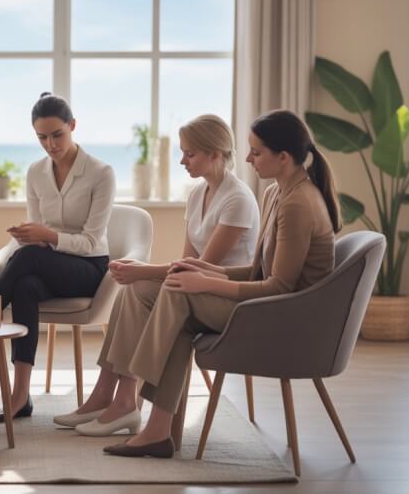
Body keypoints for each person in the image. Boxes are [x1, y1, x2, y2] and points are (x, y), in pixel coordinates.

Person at [101, 110, 340, 458]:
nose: (247, 158)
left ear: (284, 157)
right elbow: (260, 270)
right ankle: (156, 430)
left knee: (177, 292)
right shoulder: (278, 193)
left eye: (256, 152)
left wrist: (204, 283)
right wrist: (208, 272)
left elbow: (279, 288)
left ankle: (131, 396)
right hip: (269, 306)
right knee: (171, 296)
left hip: (286, 320)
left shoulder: (299, 204)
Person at [52, 114, 260, 436]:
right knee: (133, 291)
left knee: (140, 286)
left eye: (190, 154)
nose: (182, 160)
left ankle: (123, 401)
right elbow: (187, 261)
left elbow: (203, 266)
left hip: (223, 294)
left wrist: (144, 270)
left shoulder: (238, 200)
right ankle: (109, 396)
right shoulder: (196, 195)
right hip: (195, 286)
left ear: (215, 154)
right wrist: (143, 275)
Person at [0, 92, 116, 423]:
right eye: (42, 137)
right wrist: (31, 235)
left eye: (57, 134)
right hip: (46, 264)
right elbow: (38, 231)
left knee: (29, 257)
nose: (51, 144)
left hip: (89, 269)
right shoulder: (35, 173)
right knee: (27, 285)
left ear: (72, 126)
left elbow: (90, 242)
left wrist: (45, 237)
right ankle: (20, 396)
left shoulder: (101, 173)